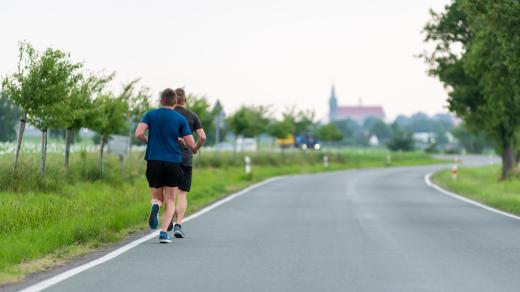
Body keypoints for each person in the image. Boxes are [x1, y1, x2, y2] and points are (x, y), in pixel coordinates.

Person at [135, 88, 197, 243]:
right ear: (175, 102)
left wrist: (150, 141)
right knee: (170, 199)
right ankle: (163, 233)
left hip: (154, 160)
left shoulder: (150, 115)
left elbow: (138, 133)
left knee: (157, 196)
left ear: (161, 100)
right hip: (173, 162)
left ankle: (155, 205)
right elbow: (191, 143)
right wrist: (181, 141)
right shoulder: (180, 119)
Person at [167, 88, 206, 238]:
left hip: (169, 158)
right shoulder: (192, 116)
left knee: (170, 193)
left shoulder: (167, 115)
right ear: (185, 100)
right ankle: (178, 225)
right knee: (182, 193)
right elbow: (202, 137)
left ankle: (168, 217)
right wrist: (194, 148)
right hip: (186, 159)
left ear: (173, 100)